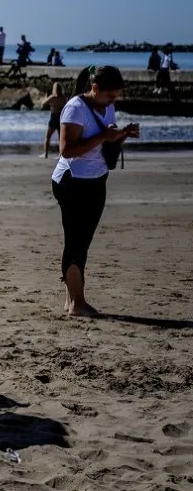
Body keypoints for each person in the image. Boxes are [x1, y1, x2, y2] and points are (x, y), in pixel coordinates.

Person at [51, 66, 139, 317]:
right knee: (75, 241)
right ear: (95, 88)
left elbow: (104, 138)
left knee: (83, 242)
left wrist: (121, 135)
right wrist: (103, 136)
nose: (114, 101)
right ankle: (78, 304)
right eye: (110, 96)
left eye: (117, 96)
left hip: (96, 179)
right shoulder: (75, 108)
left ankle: (72, 301)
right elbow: (66, 150)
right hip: (71, 181)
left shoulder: (107, 106)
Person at [41, 83, 68, 158]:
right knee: (60, 137)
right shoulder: (64, 98)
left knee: (48, 136)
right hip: (61, 118)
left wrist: (46, 96)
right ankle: (60, 154)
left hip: (54, 117)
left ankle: (45, 154)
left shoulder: (53, 97)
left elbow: (43, 103)